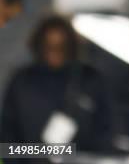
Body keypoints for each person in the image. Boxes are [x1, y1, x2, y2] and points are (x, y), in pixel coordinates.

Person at [0, 14, 116, 160]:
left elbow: (106, 136)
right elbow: (7, 145)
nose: (54, 52)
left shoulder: (90, 81)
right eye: (48, 46)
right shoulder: (21, 81)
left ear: (71, 46)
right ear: (38, 45)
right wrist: (46, 153)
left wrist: (71, 154)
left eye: (61, 46)